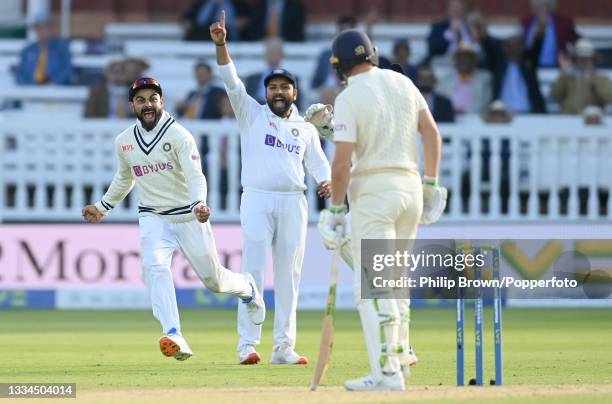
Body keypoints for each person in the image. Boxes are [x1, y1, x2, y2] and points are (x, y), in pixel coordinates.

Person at [81, 77, 265, 361]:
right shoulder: (124, 141)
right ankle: (173, 333)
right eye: (141, 100)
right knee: (154, 267)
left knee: (215, 281)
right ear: (132, 105)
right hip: (153, 216)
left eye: (153, 99)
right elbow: (124, 177)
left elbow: (195, 175)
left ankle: (248, 288)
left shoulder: (179, 135)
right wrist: (103, 206)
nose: (147, 105)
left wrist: (199, 203)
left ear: (161, 102)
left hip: (188, 215)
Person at [321, 29, 444, 391]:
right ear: (372, 55)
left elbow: (341, 165)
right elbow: (432, 133)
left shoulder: (348, 96)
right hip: (410, 189)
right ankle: (400, 360)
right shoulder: (403, 83)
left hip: (374, 191)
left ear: (339, 66)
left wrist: (335, 210)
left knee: (374, 288)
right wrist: (433, 184)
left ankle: (386, 374)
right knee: (395, 283)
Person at [210, 11, 331, 366]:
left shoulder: (307, 129)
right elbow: (231, 80)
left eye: (284, 87)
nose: (278, 92)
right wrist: (221, 45)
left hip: (294, 201)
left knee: (289, 278)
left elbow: (319, 165)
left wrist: (325, 181)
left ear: (295, 92)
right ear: (266, 92)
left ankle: (284, 347)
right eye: (273, 87)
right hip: (257, 199)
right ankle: (247, 344)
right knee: (252, 274)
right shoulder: (252, 113)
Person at [550, 38, 612, 114]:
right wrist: (563, 74)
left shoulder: (602, 79)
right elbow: (553, 97)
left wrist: (593, 80)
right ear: (575, 59)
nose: (583, 61)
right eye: (580, 58)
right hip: (567, 120)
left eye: (587, 58)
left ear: (593, 60)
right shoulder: (566, 78)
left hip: (591, 122)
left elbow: (609, 98)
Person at [492, 35, 546, 114]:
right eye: (510, 46)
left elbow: (537, 47)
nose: (514, 49)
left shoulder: (528, 66)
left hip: (529, 115)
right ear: (505, 49)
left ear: (523, 48)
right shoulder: (498, 66)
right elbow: (487, 44)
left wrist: (540, 32)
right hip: (503, 116)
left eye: (518, 45)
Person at [15, 12, 73, 85]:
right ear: (35, 29)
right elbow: (20, 74)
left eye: (45, 26)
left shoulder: (61, 48)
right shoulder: (27, 51)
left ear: (50, 28)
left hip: (54, 91)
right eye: (38, 27)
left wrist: (50, 83)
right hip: (30, 91)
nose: (42, 30)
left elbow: (67, 71)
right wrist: (30, 85)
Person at [437, 43, 492, 114]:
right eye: (461, 58)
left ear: (474, 61)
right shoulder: (445, 80)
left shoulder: (484, 80)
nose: (465, 61)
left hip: (474, 119)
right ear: (456, 61)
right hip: (450, 119)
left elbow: (485, 104)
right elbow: (441, 103)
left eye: (468, 58)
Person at [521, 0, 578, 67]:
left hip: (557, 67)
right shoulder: (526, 22)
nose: (541, 8)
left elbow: (576, 41)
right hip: (531, 69)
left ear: (551, 6)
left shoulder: (564, 23)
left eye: (545, 5)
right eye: (537, 5)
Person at [423, 0, 477, 65]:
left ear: (465, 9)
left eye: (459, 7)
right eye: (453, 7)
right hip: (441, 63)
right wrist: (453, 35)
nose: (456, 10)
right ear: (448, 9)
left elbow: (480, 49)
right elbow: (432, 48)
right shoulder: (439, 26)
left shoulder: (472, 26)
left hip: (468, 64)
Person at [244, 38, 285, 105]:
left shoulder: (292, 80)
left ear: (282, 55)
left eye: (276, 52)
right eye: (271, 52)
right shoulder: (251, 79)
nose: (273, 55)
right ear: (265, 54)